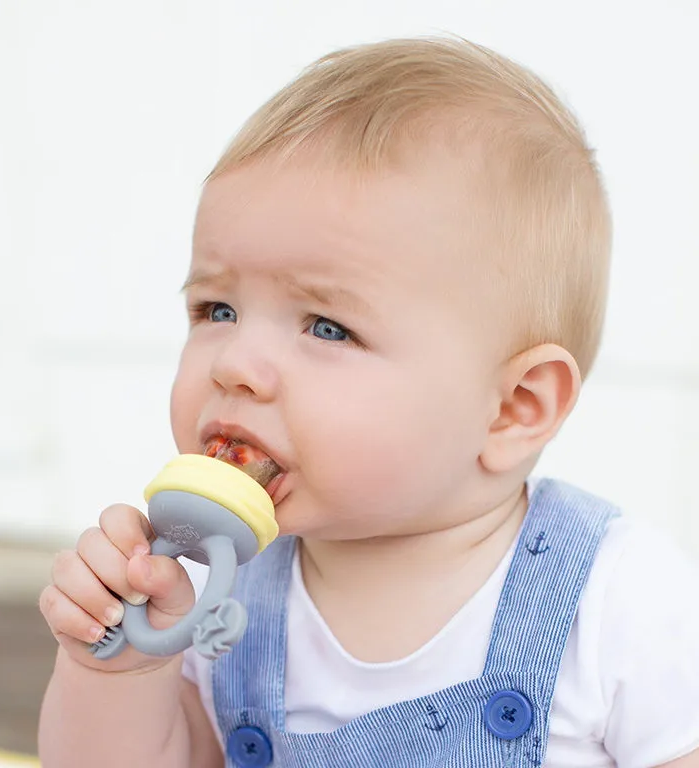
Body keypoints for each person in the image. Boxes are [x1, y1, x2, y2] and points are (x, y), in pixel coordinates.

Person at [37, 36, 699, 767]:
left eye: (328, 327)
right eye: (216, 310)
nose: (237, 364)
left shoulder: (617, 600)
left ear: (513, 407)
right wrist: (119, 671)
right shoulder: (206, 599)